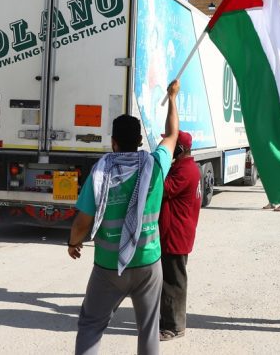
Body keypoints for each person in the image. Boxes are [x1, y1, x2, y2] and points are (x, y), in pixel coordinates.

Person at [68, 80, 180, 355]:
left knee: (91, 325)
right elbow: (172, 134)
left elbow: (83, 221)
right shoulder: (154, 166)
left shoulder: (100, 171)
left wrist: (73, 242)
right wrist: (172, 97)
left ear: (113, 142)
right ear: (140, 142)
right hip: (148, 261)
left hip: (108, 267)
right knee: (148, 328)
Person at [158, 130, 202, 341]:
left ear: (181, 149)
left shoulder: (185, 170)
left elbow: (162, 189)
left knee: (173, 282)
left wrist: (158, 164)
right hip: (175, 232)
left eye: (169, 143)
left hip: (175, 234)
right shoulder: (183, 167)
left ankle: (174, 327)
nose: (165, 146)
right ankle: (168, 321)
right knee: (168, 279)